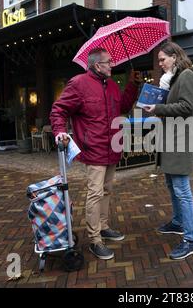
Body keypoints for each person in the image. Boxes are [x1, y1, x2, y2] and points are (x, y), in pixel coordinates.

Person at [50, 48, 142, 260]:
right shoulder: (78, 83)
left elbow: (123, 106)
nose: (112, 65)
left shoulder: (110, 84)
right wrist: (60, 131)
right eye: (108, 62)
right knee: (95, 193)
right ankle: (94, 240)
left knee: (107, 190)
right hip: (94, 149)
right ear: (96, 65)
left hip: (112, 147)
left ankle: (103, 226)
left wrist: (133, 84)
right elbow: (58, 110)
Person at [143, 42, 193, 260]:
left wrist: (159, 108)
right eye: (158, 60)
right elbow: (173, 108)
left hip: (180, 141)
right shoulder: (171, 80)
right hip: (169, 140)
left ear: (175, 57)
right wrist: (158, 107)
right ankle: (177, 222)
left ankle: (191, 239)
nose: (160, 64)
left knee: (182, 189)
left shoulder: (187, 76)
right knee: (171, 184)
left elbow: (187, 107)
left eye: (162, 59)